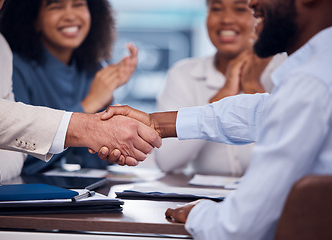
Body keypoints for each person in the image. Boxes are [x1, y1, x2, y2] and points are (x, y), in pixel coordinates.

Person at [99, 0, 332, 238]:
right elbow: (261, 111)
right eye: (216, 8)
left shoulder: (310, 82)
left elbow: (239, 227)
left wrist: (200, 212)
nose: (253, 2)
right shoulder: (318, 72)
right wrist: (155, 123)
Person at [0, 0, 161, 185]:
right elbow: (19, 147)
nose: (70, 15)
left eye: (79, 5)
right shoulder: (16, 66)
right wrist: (89, 105)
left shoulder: (94, 70)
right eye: (56, 6)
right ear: (34, 18)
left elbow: (97, 161)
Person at [155, 0, 286, 176]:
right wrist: (221, 97)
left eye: (240, 9)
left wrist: (254, 88)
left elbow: (290, 159)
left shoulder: (284, 69)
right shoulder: (183, 73)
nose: (226, 19)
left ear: (260, 15)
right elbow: (166, 161)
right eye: (216, 9)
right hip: (201, 199)